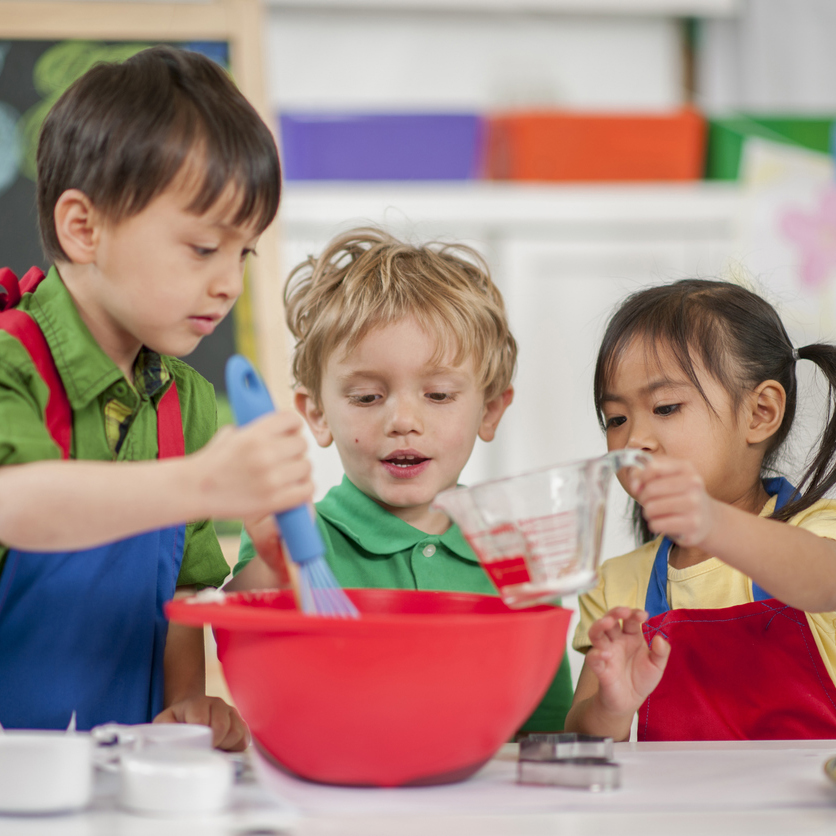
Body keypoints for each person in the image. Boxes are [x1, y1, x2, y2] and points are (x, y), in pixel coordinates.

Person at [0, 46, 314, 749]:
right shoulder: (9, 361)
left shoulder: (188, 403)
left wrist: (186, 710)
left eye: (245, 253)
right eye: (204, 248)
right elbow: (16, 504)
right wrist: (204, 482)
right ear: (85, 228)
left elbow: (181, 602)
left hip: (119, 782)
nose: (230, 283)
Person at [228, 227, 574, 732]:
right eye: (367, 397)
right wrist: (273, 566)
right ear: (318, 413)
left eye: (437, 395)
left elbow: (545, 733)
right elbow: (243, 649)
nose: (403, 420)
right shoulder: (296, 537)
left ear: (491, 409)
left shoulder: (516, 562)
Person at [564, 278, 836, 741]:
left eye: (666, 407)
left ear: (760, 413)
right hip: (676, 814)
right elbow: (582, 737)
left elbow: (823, 579)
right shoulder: (617, 584)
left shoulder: (814, 531)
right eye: (616, 419)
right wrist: (612, 706)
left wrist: (713, 524)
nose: (634, 441)